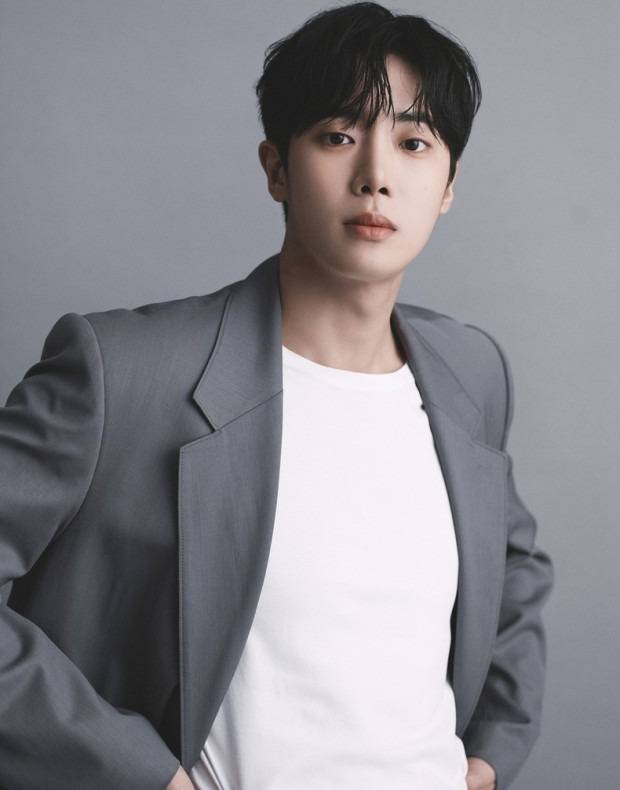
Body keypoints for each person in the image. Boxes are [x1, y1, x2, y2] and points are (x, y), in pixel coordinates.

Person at [0, 3, 553, 789]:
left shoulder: (472, 371)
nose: (376, 175)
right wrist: (138, 775)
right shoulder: (125, 372)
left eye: (413, 143)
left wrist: (492, 749)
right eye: (338, 135)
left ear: (448, 186)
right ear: (276, 169)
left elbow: (514, 571)